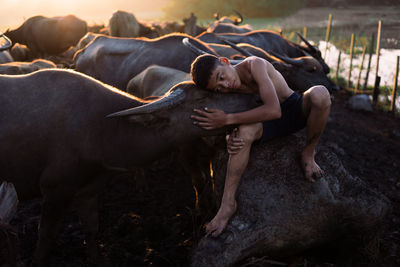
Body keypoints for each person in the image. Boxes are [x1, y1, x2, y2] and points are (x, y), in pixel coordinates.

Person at [190, 54, 331, 237]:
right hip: (266, 124)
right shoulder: (228, 88)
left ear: (224, 61)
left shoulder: (254, 65)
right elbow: (240, 115)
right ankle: (227, 205)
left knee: (321, 93)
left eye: (221, 77)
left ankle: (308, 153)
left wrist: (226, 120)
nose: (225, 86)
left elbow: (274, 109)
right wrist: (229, 134)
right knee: (242, 134)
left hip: (293, 110)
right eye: (218, 88)